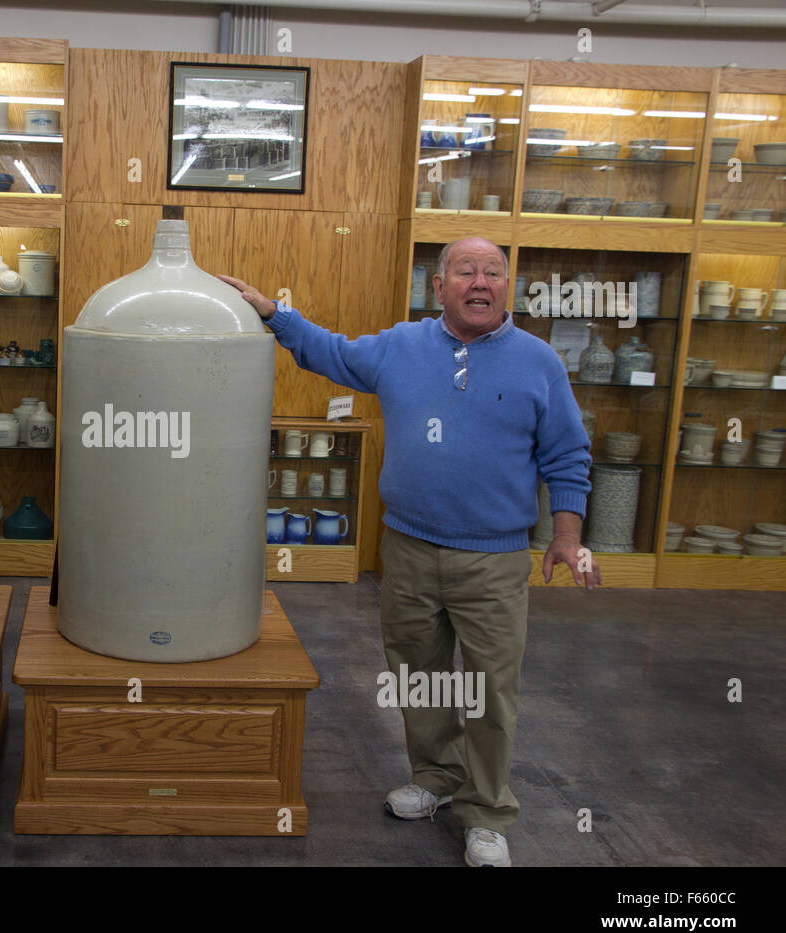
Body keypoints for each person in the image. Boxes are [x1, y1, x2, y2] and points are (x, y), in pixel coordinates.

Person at [220, 236, 599, 867]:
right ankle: (434, 779)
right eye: (466, 271)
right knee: (417, 676)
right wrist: (271, 312)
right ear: (439, 285)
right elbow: (330, 353)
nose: (481, 282)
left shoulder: (539, 363)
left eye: (494, 273)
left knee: (488, 687)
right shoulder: (401, 346)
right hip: (410, 549)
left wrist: (567, 536)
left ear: (507, 286)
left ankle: (485, 811)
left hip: (494, 558)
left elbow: (567, 454)